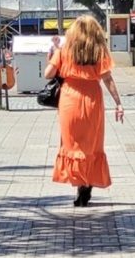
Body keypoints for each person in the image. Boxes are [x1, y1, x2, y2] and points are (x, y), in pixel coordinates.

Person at [44, 15, 125, 207]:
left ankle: (79, 182)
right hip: (92, 100)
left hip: (69, 99)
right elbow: (107, 79)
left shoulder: (64, 51)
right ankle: (86, 183)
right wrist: (118, 103)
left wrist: (54, 56)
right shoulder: (99, 52)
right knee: (91, 144)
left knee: (72, 143)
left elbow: (48, 74)